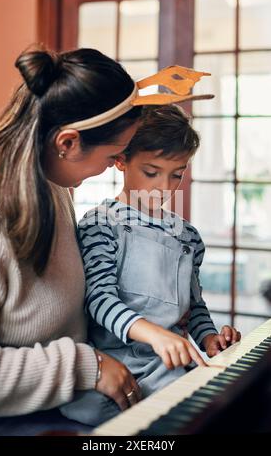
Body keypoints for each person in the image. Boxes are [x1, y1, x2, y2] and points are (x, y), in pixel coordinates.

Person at [0, 46, 146, 418]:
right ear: (68, 143)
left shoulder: (52, 184)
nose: (114, 168)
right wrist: (82, 367)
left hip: (64, 408)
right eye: (112, 156)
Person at [60, 104, 241, 426]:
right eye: (151, 172)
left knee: (218, 403)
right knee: (88, 406)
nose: (165, 187)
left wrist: (209, 338)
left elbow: (195, 307)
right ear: (120, 160)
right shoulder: (101, 223)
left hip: (170, 359)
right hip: (115, 358)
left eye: (177, 174)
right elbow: (98, 300)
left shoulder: (188, 236)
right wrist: (155, 334)